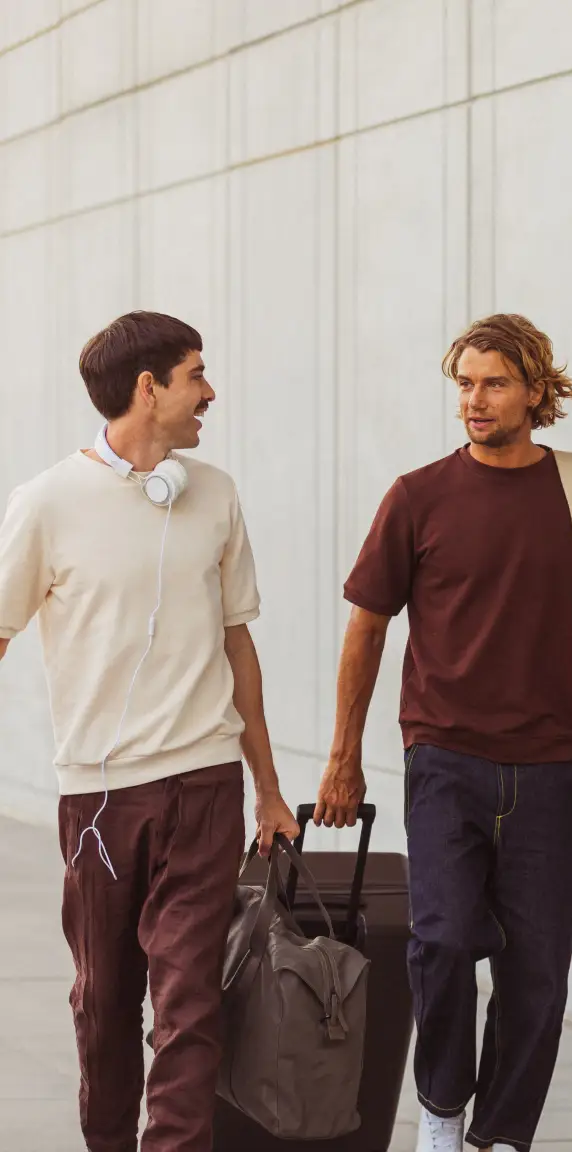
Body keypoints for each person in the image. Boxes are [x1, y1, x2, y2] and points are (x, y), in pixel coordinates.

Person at [313, 313, 572, 1152]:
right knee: (443, 941)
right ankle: (442, 1106)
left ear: (535, 390)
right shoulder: (418, 495)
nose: (475, 400)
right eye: (464, 383)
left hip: (548, 766)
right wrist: (343, 756)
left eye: (494, 383)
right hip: (444, 758)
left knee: (538, 972)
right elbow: (367, 626)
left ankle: (502, 1134)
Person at [0, 311, 300, 1152]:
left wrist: (269, 789)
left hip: (205, 783)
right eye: (196, 375)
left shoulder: (216, 494)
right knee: (104, 1000)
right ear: (148, 387)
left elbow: (239, 646)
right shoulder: (46, 503)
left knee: (189, 1000)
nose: (210, 392)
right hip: (99, 798)